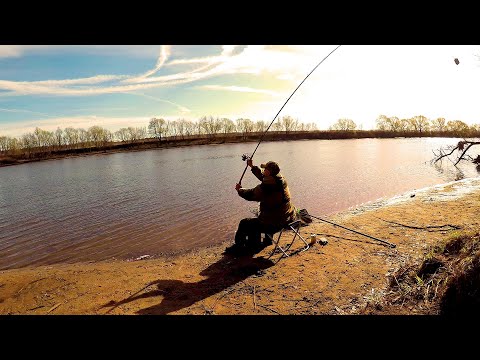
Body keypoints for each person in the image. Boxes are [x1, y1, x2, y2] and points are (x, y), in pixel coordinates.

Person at [224, 159, 297, 255]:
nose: (263, 171)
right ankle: (265, 242)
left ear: (269, 172)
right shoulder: (280, 179)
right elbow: (263, 177)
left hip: (276, 223)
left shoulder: (267, 187)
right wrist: (252, 167)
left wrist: (240, 190)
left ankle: (240, 247)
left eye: (265, 169)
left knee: (245, 223)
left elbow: (251, 194)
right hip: (287, 217)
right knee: (264, 214)